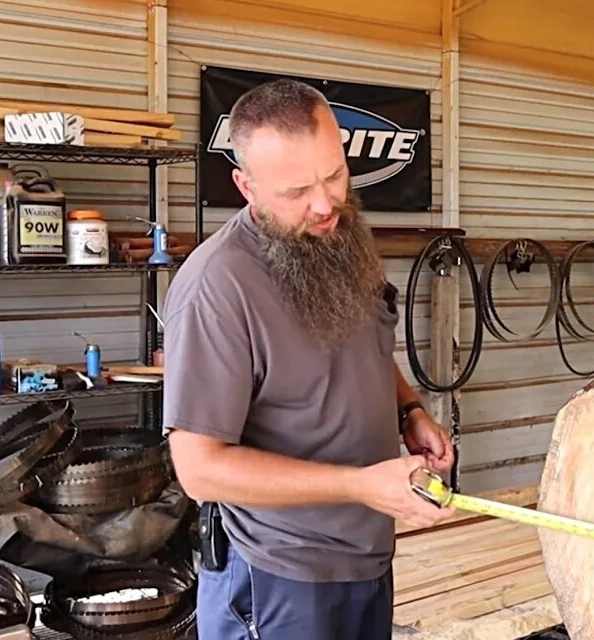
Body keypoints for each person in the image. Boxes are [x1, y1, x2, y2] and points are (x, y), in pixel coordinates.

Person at [161, 78, 457, 640]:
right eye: (297, 190)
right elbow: (199, 470)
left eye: (335, 175)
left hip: (366, 557)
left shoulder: (338, 234)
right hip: (278, 576)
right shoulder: (217, 288)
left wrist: (409, 412)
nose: (324, 204)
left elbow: (362, 348)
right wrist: (360, 485)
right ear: (245, 186)